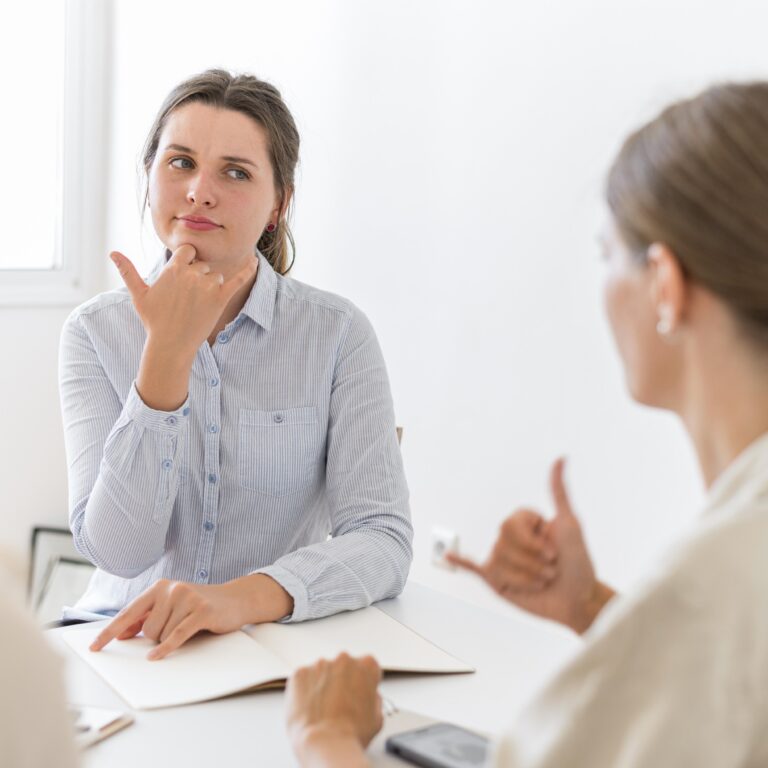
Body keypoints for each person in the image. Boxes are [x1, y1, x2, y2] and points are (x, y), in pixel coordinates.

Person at [283, 81, 768, 767]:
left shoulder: (709, 584)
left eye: (608, 255)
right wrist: (591, 604)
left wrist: (324, 737)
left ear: (665, 283)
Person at [58, 69, 412, 660]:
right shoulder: (93, 332)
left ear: (279, 205)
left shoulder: (338, 335)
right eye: (179, 162)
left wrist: (239, 598)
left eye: (236, 172)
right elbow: (119, 552)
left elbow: (383, 539)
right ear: (149, 178)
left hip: (265, 645)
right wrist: (165, 360)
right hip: (121, 644)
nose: (199, 190)